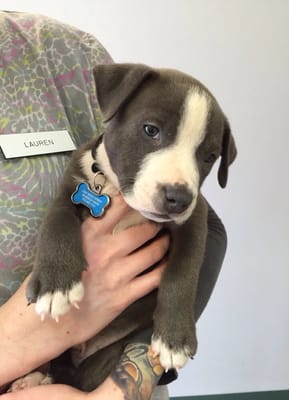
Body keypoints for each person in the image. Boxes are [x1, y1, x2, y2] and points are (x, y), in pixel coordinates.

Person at [0, 11, 227, 399]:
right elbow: (63, 215)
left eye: (206, 159)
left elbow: (208, 229)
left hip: (114, 360)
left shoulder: (65, 52)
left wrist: (114, 392)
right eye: (153, 132)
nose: (180, 179)